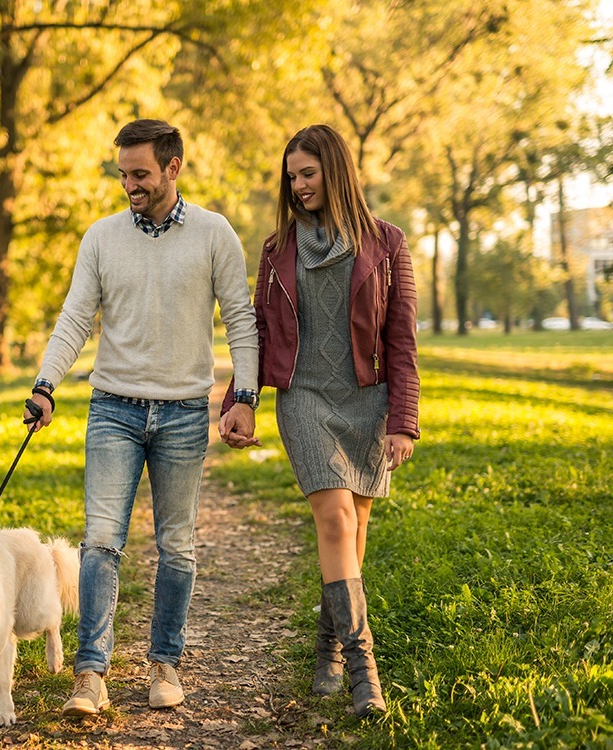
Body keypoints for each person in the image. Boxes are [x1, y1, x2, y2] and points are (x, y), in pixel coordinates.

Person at [24, 119, 260, 716]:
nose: (128, 184)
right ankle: (90, 674)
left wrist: (246, 397)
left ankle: (164, 663)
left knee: (176, 546)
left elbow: (241, 319)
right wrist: (46, 384)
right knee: (101, 542)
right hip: (113, 409)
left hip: (184, 412)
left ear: (173, 168)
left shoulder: (214, 233)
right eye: (122, 173)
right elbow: (75, 317)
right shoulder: (102, 237)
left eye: (140, 174)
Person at [219, 124, 420, 718]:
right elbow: (256, 330)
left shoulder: (388, 243)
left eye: (307, 173)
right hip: (304, 397)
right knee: (334, 517)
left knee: (354, 527)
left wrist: (402, 419)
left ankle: (329, 647)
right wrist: (242, 398)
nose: (298, 185)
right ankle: (366, 671)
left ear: (336, 170)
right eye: (292, 177)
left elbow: (401, 340)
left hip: (367, 400)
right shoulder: (277, 249)